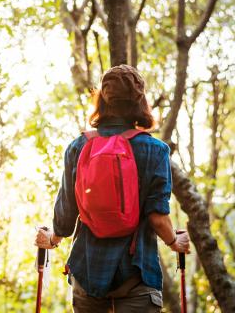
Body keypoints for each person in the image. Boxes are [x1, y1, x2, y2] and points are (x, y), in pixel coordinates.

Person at [34, 65, 190, 312]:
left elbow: (65, 214)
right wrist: (175, 242)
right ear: (140, 102)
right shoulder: (155, 150)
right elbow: (158, 218)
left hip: (87, 274)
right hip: (137, 276)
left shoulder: (78, 147)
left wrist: (51, 239)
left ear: (102, 100)